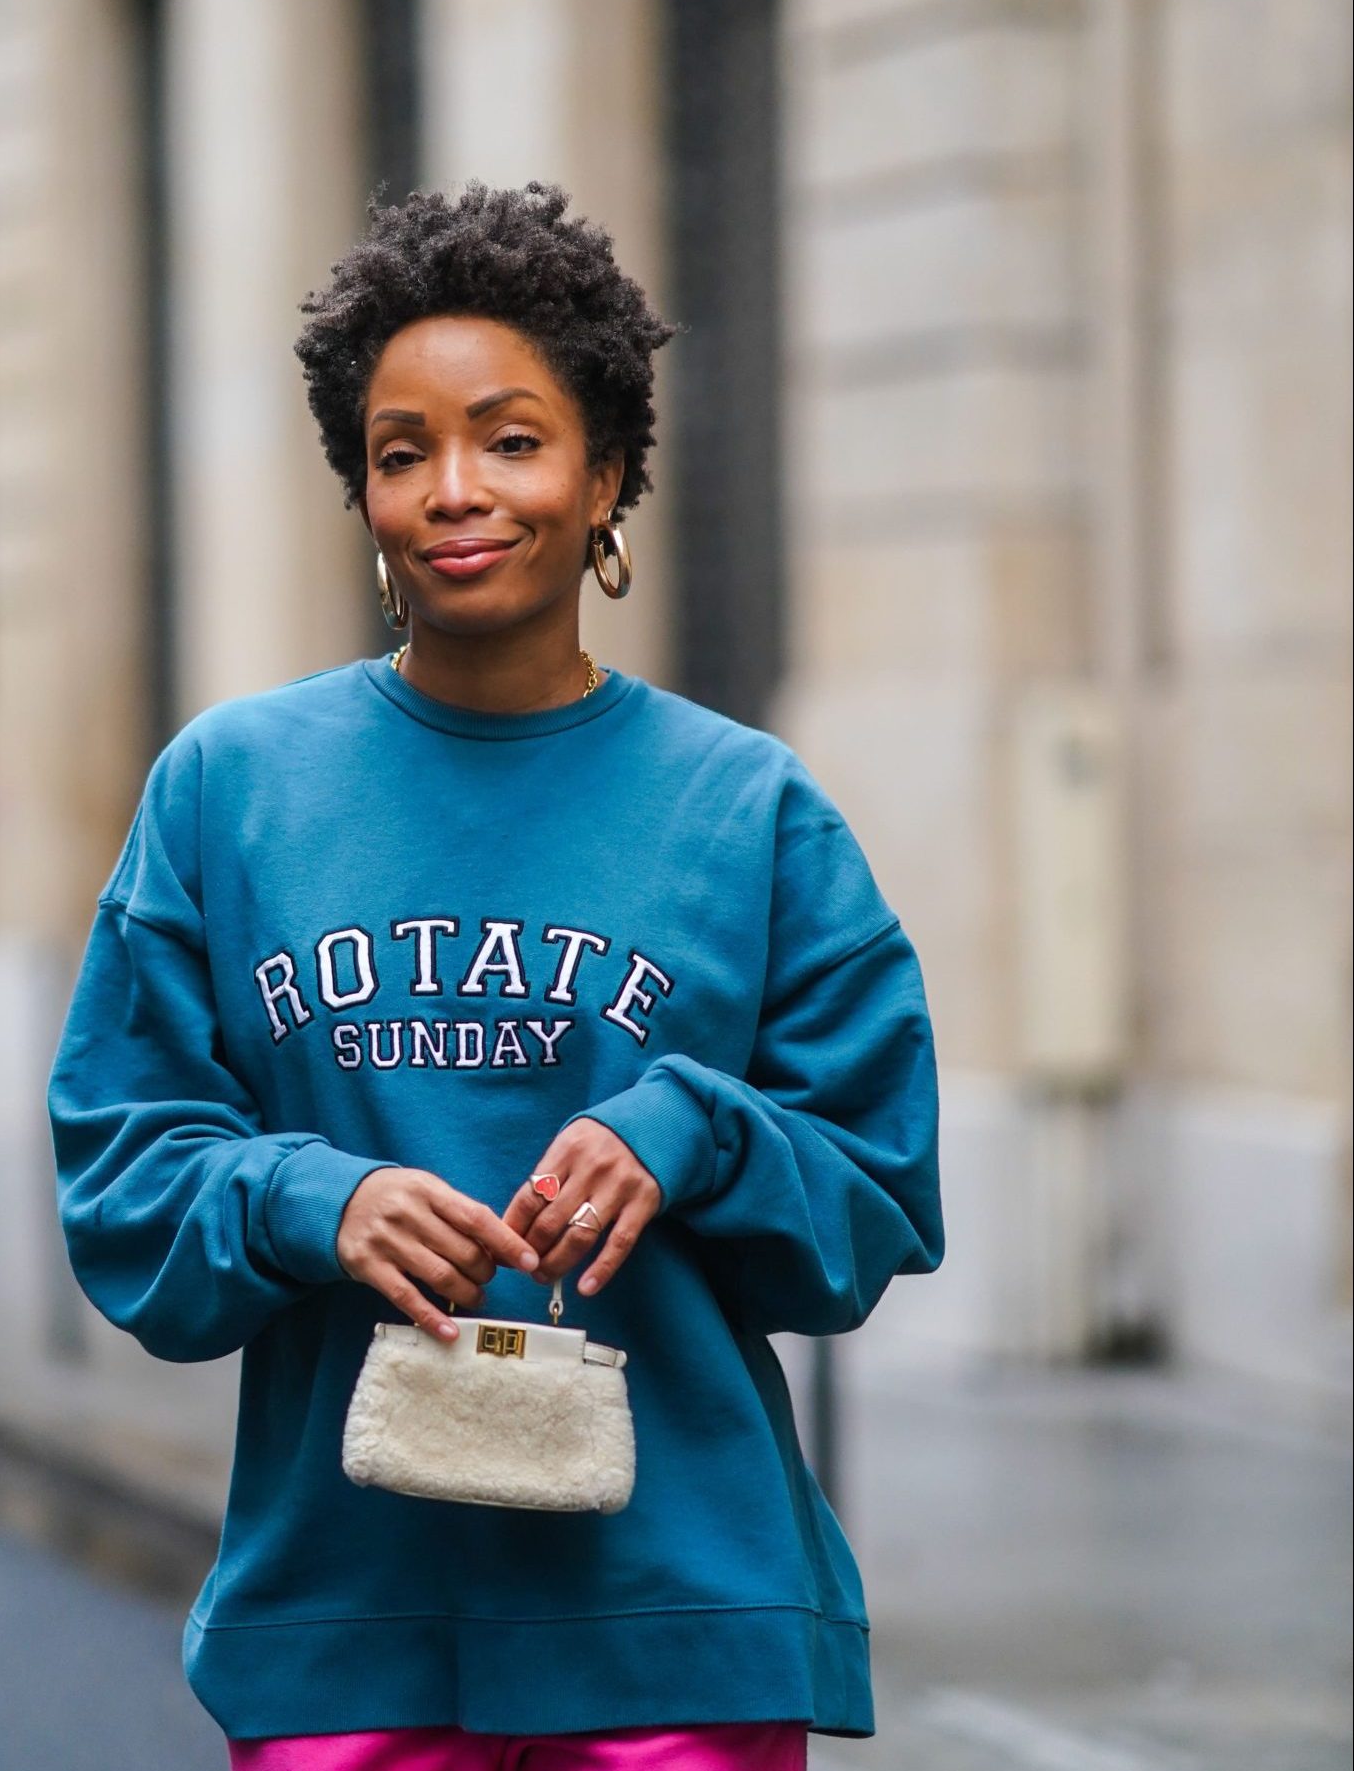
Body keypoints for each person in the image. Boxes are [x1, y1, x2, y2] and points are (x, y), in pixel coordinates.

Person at [47, 179, 944, 1770]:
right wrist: (306, 1196)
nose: (458, 490)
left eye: (513, 439)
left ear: (606, 473)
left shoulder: (746, 810)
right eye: (404, 453)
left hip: (677, 1624)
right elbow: (123, 1187)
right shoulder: (231, 789)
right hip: (350, 1625)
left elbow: (873, 1205)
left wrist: (694, 1133)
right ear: (364, 492)